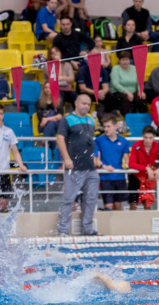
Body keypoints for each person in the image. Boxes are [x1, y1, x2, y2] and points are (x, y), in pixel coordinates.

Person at [56, 94, 98, 236]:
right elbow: (60, 138)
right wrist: (67, 158)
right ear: (76, 103)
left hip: (90, 167)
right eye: (83, 103)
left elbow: (90, 142)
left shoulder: (91, 120)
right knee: (69, 199)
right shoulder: (67, 119)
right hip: (74, 166)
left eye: (88, 104)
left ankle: (88, 229)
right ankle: (63, 231)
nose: (86, 106)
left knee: (91, 200)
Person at [128, 125, 159, 210]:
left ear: (154, 137)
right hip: (135, 177)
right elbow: (131, 164)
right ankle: (132, 219)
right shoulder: (136, 146)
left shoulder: (157, 146)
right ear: (142, 136)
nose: (148, 140)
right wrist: (146, 168)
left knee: (147, 204)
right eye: (146, 137)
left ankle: (148, 219)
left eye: (150, 138)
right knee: (133, 204)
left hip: (148, 178)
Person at [94, 114, 130, 211]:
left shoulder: (124, 141)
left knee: (118, 206)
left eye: (108, 126)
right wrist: (105, 167)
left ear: (115, 126)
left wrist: (126, 165)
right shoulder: (99, 140)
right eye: (104, 126)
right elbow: (96, 160)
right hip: (105, 178)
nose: (106, 129)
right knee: (108, 207)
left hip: (119, 177)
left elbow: (127, 159)